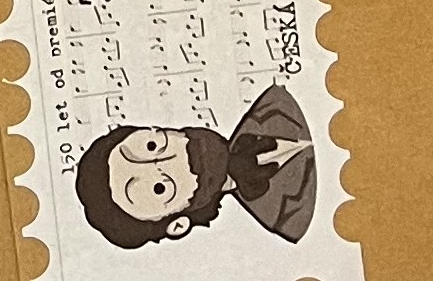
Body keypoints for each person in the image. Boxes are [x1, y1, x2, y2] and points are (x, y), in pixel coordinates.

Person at [73, 89, 317, 255]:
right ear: (178, 225)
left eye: (152, 146)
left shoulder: (275, 105)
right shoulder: (289, 215)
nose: (178, 158)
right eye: (160, 188)